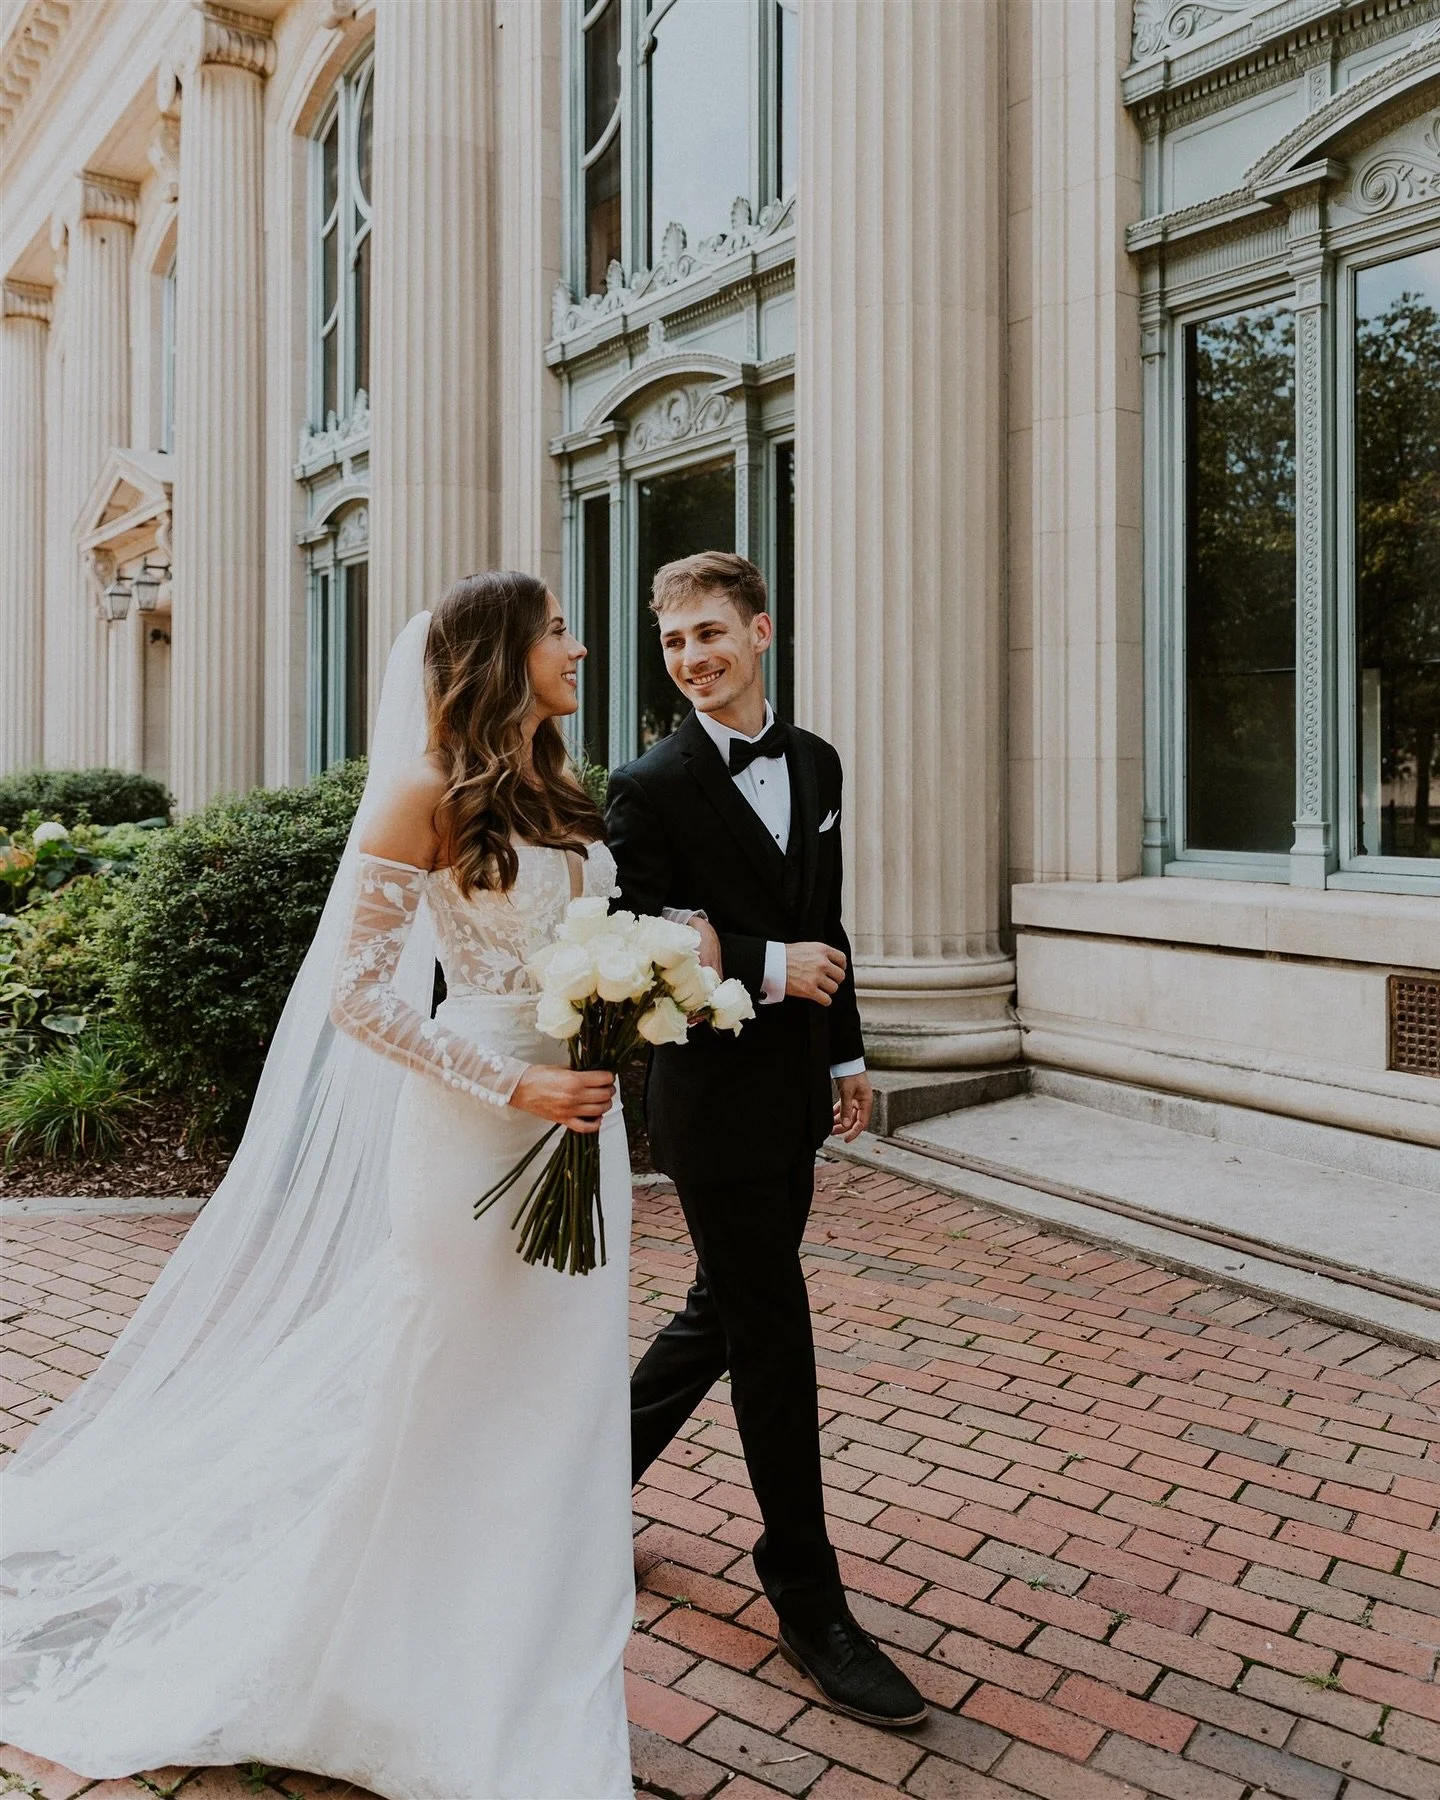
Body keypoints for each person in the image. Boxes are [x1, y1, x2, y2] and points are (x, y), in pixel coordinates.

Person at [0, 573, 635, 1800]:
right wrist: (518, 1092)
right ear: (498, 655)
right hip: (474, 1136)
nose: (579, 643)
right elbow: (363, 998)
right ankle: (390, 1677)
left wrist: (661, 979)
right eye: (558, 628)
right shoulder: (421, 796)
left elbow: (584, 948)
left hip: (581, 1131)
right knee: (452, 1402)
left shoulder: (562, 792)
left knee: (562, 1416)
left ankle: (539, 1675)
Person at [607, 551, 928, 1729]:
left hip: (794, 1089)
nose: (693, 658)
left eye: (709, 633)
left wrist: (843, 1051)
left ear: (762, 630)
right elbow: (639, 938)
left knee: (722, 1309)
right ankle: (806, 1593)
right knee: (770, 1324)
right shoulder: (646, 785)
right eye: (674, 642)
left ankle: (581, 1493)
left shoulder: (817, 761)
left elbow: (822, 915)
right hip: (710, 1106)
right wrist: (769, 969)